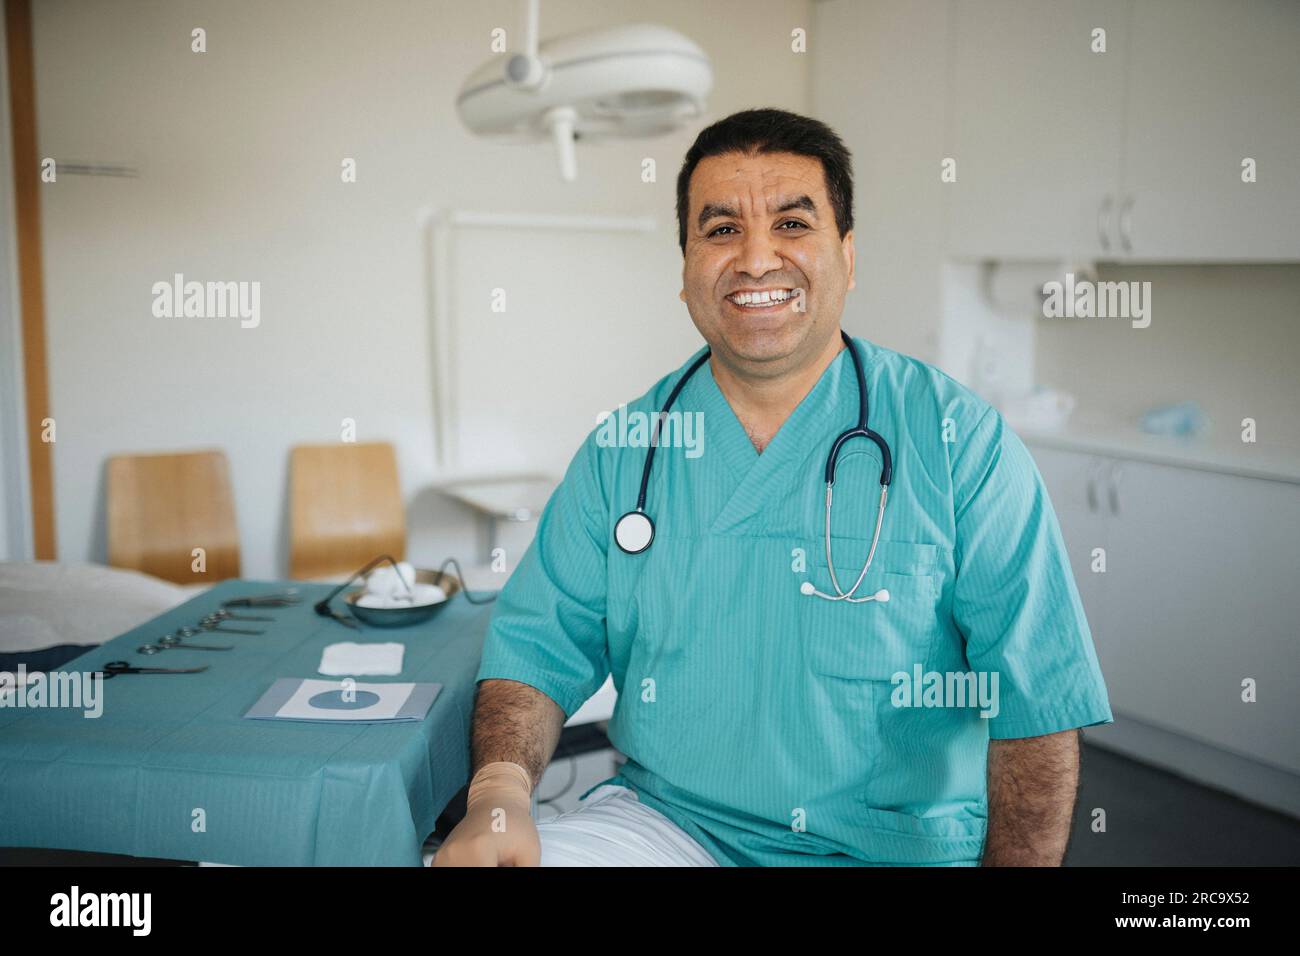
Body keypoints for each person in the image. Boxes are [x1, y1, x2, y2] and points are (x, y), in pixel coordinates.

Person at [433, 108, 1112, 867]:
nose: (756, 260)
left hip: (896, 849)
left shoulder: (960, 442)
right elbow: (536, 648)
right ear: (686, 267)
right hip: (671, 827)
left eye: (793, 224)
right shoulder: (627, 449)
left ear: (847, 257)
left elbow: (1037, 702)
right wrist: (498, 795)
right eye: (720, 230)